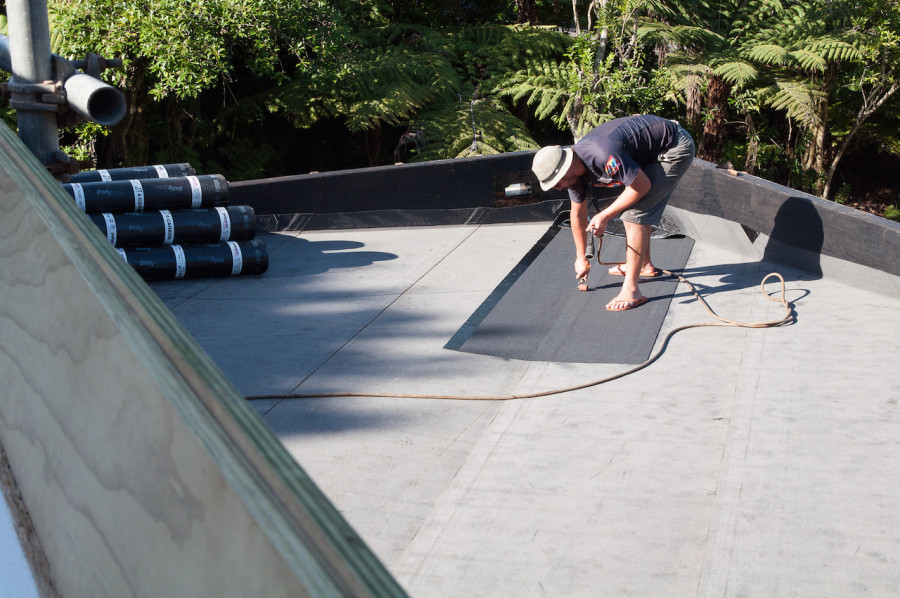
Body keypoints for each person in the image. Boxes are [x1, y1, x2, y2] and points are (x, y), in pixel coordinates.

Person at [531, 114, 695, 311]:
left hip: (674, 146)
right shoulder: (573, 176)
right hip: (651, 150)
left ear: (566, 169)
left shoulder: (601, 155)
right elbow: (577, 214)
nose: (558, 188)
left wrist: (604, 216)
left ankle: (632, 291)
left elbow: (641, 186)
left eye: (557, 183)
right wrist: (580, 257)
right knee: (631, 210)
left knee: (634, 215)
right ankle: (643, 265)